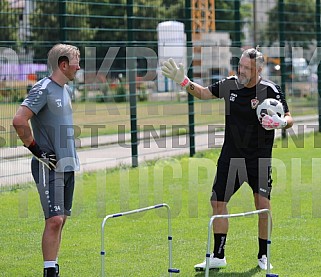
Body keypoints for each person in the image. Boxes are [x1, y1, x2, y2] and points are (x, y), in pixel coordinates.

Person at [161, 47, 293, 271]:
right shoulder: (230, 84)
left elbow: (289, 117)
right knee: (217, 202)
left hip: (258, 159)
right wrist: (183, 81)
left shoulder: (270, 90)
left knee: (262, 206)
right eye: (239, 65)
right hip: (230, 156)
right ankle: (218, 255)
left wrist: (281, 123)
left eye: (246, 68)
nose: (240, 70)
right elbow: (203, 93)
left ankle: (264, 255)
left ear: (258, 69)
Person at [13, 44, 81, 277]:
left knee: (61, 219)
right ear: (63, 64)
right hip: (49, 165)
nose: (78, 66)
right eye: (76, 61)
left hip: (68, 163)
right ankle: (49, 273)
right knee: (53, 220)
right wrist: (36, 150)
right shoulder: (42, 89)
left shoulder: (66, 90)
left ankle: (53, 267)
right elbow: (19, 120)